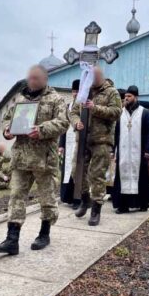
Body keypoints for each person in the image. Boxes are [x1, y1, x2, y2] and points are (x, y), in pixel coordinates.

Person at [0, 65, 69, 255]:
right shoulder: (20, 99)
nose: (32, 81)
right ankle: (12, 240)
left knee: (47, 198)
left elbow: (63, 122)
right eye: (30, 78)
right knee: (16, 195)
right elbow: (8, 119)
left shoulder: (55, 99)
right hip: (21, 158)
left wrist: (41, 129)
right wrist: (7, 131)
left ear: (45, 79)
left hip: (44, 158)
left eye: (36, 78)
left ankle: (44, 233)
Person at [70, 67, 122, 226]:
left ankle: (96, 209)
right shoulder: (83, 91)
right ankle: (85, 200)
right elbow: (73, 111)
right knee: (76, 171)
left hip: (102, 140)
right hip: (83, 139)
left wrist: (95, 108)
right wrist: (76, 122)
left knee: (97, 175)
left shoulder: (111, 92)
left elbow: (117, 112)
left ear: (100, 77)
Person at [111, 86, 149, 213]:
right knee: (122, 178)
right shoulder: (120, 113)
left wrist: (148, 150)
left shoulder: (145, 113)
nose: (126, 99)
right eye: (125, 97)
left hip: (139, 153)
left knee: (141, 178)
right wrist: (112, 149)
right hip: (123, 153)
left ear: (136, 97)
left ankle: (142, 204)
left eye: (129, 96)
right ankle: (122, 205)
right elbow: (114, 133)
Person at [59, 79, 80, 210]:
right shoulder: (67, 107)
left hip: (79, 143)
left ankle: (77, 199)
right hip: (68, 141)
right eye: (74, 91)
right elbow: (63, 126)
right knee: (66, 169)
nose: (75, 94)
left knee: (77, 170)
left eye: (78, 91)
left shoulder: (84, 106)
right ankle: (66, 197)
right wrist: (61, 144)